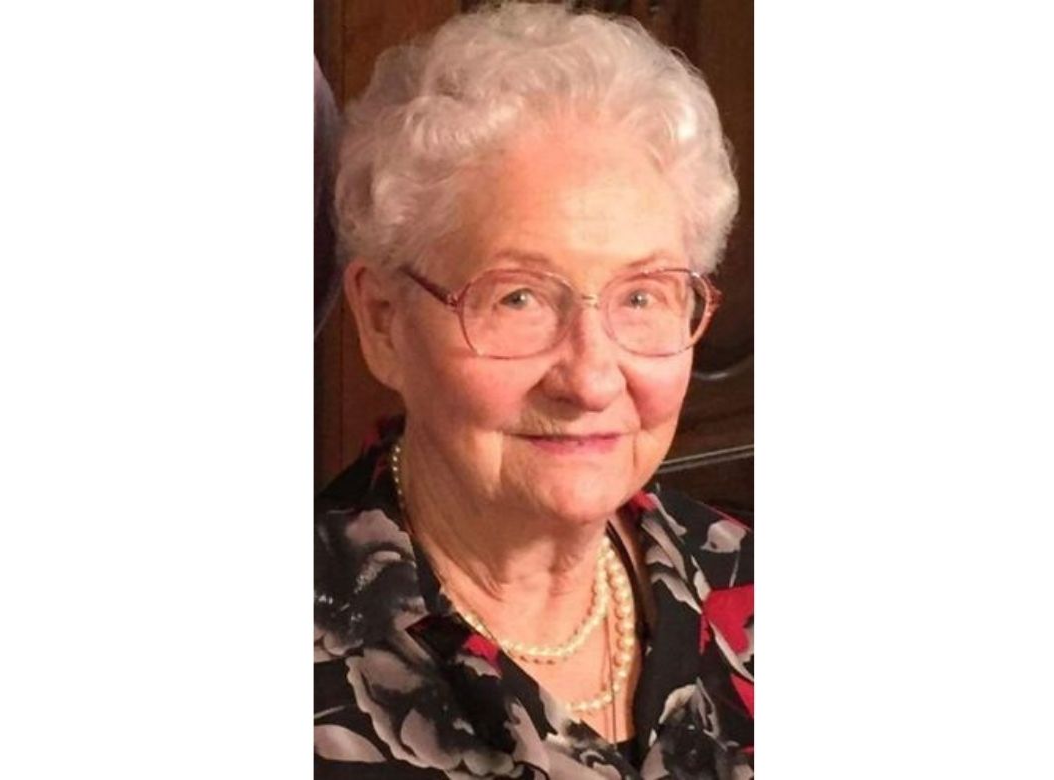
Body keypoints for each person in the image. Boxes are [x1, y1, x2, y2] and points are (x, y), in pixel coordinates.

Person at [314, 3, 753, 777]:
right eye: (517, 297)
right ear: (383, 320)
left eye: (642, 296)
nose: (591, 378)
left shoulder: (745, 575)